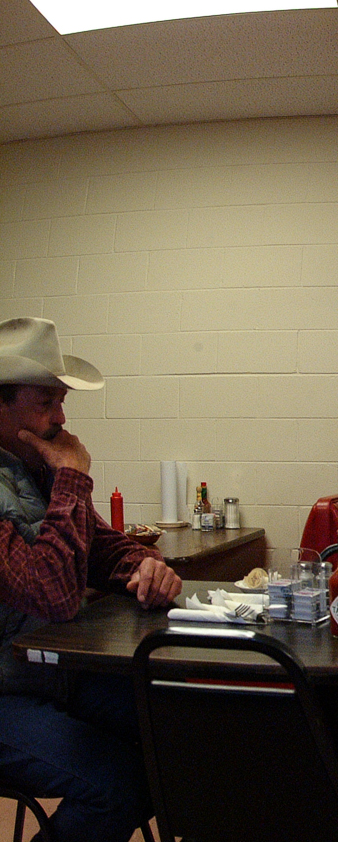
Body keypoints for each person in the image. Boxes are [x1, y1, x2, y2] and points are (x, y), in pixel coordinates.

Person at [0, 317, 183, 842]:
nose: (61, 417)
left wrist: (143, 567)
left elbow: (101, 546)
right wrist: (73, 477)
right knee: (116, 786)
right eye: (45, 403)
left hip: (49, 672)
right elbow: (52, 594)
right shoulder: (49, 468)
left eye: (61, 401)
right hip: (7, 689)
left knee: (180, 729)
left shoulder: (30, 464)